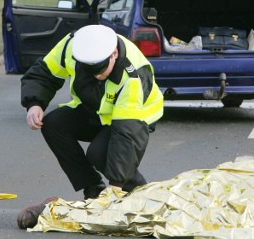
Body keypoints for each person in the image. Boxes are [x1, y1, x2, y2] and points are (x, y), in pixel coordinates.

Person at [20, 25, 164, 201]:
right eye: (91, 71)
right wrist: (35, 103)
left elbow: (127, 135)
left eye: (101, 70)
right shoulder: (72, 46)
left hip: (135, 118)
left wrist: (115, 186)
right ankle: (93, 188)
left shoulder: (132, 76)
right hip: (95, 109)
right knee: (53, 124)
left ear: (114, 54)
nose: (97, 76)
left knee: (99, 154)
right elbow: (44, 72)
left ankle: (140, 195)